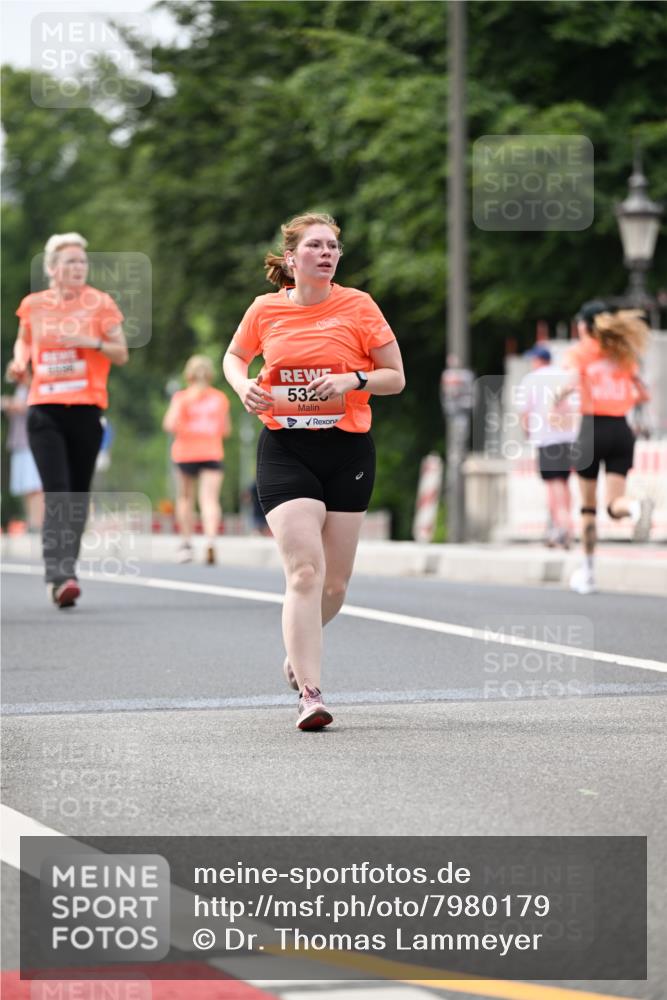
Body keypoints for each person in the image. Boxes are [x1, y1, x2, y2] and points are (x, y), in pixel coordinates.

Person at [223, 212, 405, 730]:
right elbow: (234, 358)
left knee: (334, 587)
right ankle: (310, 693)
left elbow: (396, 378)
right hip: (285, 448)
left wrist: (353, 380)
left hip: (347, 451)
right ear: (290, 258)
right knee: (304, 571)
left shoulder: (359, 306)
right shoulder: (264, 311)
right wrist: (242, 386)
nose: (327, 254)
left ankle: (296, 649)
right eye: (316, 246)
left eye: (333, 247)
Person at [8, 232, 128, 608]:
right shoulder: (34, 305)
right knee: (57, 492)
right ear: (52, 269)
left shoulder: (101, 303)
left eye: (82, 261)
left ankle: (67, 570)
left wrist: (88, 341)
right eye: (70, 262)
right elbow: (24, 340)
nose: (78, 267)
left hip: (87, 411)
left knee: (77, 497)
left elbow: (121, 352)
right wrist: (18, 362)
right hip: (44, 409)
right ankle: (59, 576)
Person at [556, 300, 652, 595]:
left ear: (584, 326)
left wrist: (555, 401)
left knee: (588, 508)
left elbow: (570, 381)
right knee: (615, 504)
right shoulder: (623, 353)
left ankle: (588, 574)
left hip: (591, 429)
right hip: (621, 430)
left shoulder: (581, 352)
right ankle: (635, 508)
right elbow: (642, 394)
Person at [162, 354, 232, 564]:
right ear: (210, 375)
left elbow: (169, 424)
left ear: (188, 375)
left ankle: (186, 544)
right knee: (209, 499)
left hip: (185, 453)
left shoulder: (182, 397)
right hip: (211, 452)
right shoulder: (219, 398)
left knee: (185, 499)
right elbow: (226, 430)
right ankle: (210, 540)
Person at [516, 344, 578, 548]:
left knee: (554, 485)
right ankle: (564, 524)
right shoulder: (564, 376)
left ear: (537, 360)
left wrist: (528, 433)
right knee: (565, 482)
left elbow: (524, 412)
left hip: (547, 439)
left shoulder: (531, 379)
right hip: (569, 438)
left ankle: (564, 528)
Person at [1, 371, 44, 531]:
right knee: (26, 487)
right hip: (19, 443)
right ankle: (32, 522)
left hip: (32, 443)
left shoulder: (35, 390)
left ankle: (38, 523)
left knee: (36, 486)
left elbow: (29, 409)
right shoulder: (19, 390)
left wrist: (13, 404)